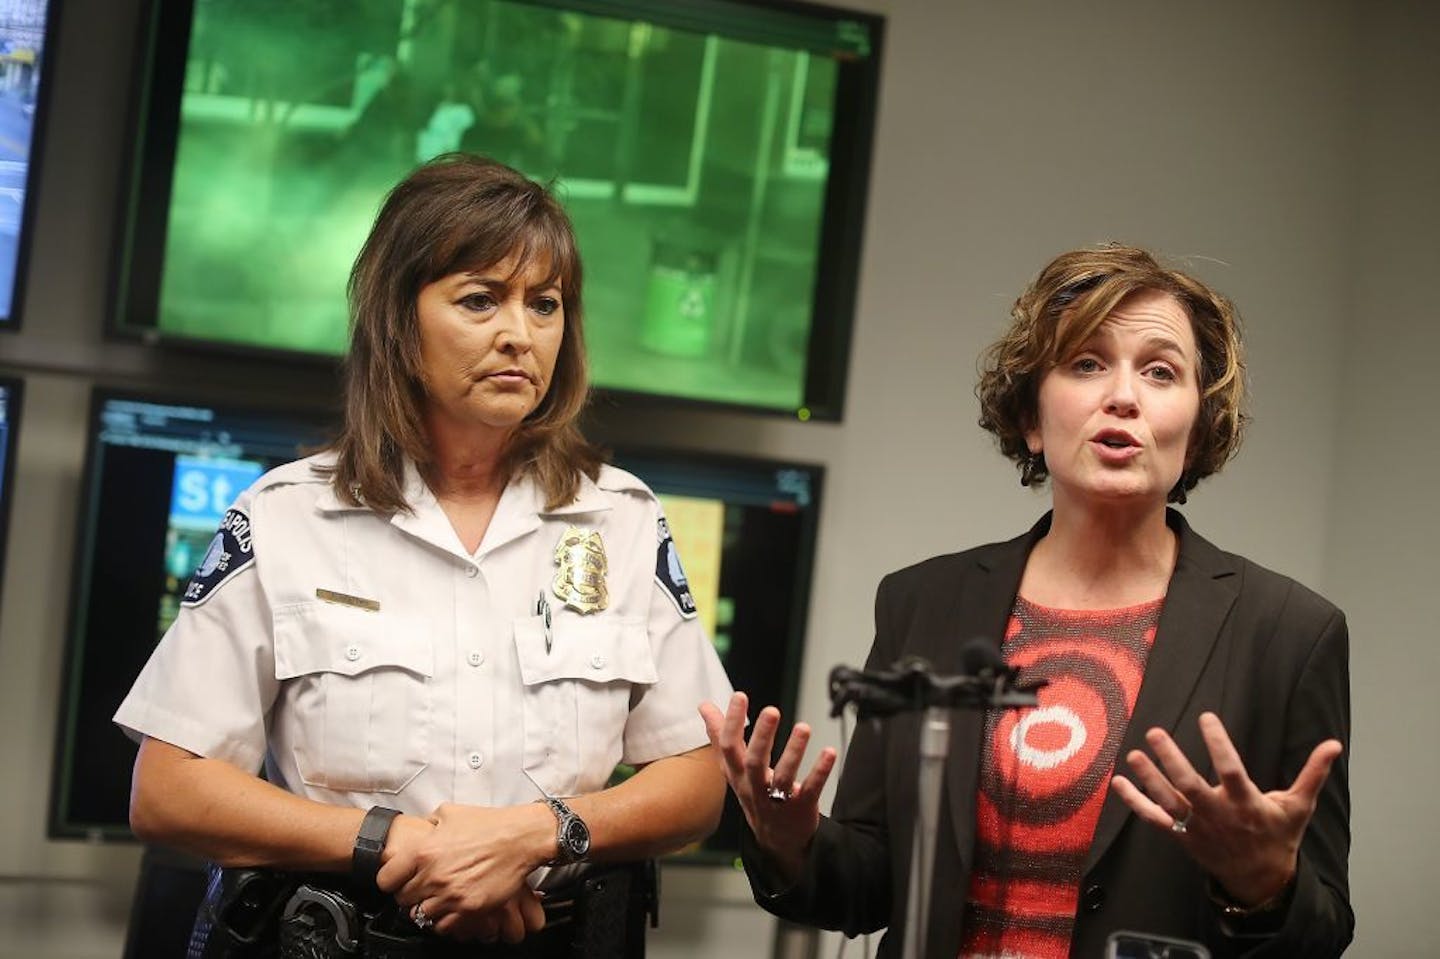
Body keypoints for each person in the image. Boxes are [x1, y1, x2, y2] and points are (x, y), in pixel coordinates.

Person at [115, 153, 733, 956]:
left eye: (544, 305)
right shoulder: (286, 516)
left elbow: (695, 783)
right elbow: (167, 791)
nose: (519, 333)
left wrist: (533, 835)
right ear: (398, 322)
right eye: (480, 300)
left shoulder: (622, 518)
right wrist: (395, 842)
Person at [702, 244, 1351, 958]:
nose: (1123, 395)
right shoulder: (922, 601)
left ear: (1197, 433)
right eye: (1086, 363)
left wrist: (1264, 882)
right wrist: (788, 843)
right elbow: (870, 882)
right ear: (1033, 420)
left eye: (1161, 371)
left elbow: (1321, 933)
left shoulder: (1289, 633)